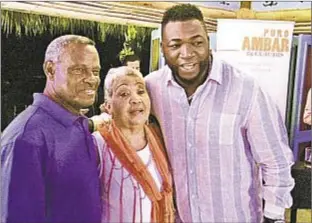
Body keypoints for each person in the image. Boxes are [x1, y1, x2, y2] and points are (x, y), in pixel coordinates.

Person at [144, 4, 295, 223]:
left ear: (208, 42)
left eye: (196, 42)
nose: (187, 54)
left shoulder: (246, 89)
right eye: (175, 45)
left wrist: (273, 216)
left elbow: (275, 161)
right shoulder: (151, 88)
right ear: (163, 48)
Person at [1, 35, 102, 223]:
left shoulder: (77, 124)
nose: (91, 79)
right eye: (79, 70)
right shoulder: (26, 139)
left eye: (95, 71)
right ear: (50, 69)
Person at [92, 66, 174, 222]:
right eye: (124, 93)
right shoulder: (97, 144)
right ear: (108, 106)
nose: (136, 99)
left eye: (141, 91)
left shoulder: (160, 137)